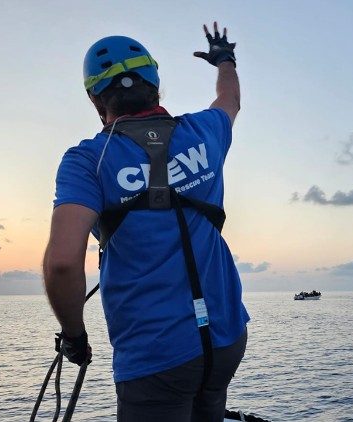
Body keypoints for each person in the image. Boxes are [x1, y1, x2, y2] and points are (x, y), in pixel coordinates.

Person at [42, 22, 250, 421]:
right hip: (226, 338)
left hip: (156, 356)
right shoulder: (204, 131)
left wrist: (74, 337)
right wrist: (225, 58)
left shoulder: (88, 160)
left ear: (94, 98)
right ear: (155, 83)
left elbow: (63, 262)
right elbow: (230, 98)